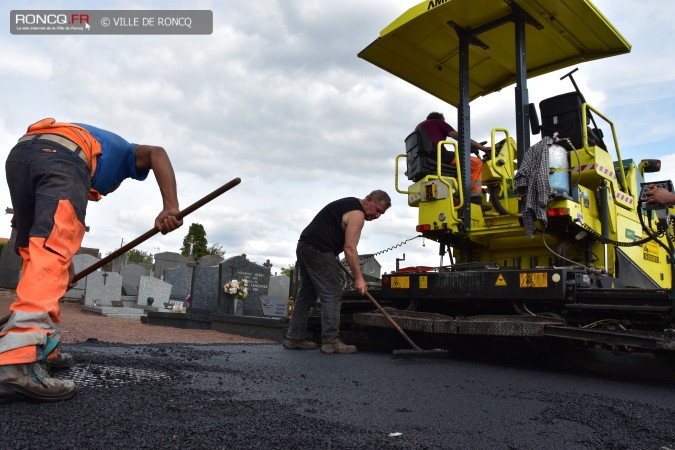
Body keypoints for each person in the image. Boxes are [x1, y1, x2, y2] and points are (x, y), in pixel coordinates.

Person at [0, 118, 183, 402]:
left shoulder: (95, 145)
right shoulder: (127, 154)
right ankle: (17, 361)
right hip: (62, 157)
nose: (99, 195)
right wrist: (171, 206)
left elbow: (41, 247)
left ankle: (42, 345)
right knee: (51, 251)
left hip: (22, 154)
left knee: (35, 252)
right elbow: (157, 152)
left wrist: (64, 268)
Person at [283, 190, 391, 354]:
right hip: (318, 249)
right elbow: (350, 248)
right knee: (332, 294)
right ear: (368, 199)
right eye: (377, 210)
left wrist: (333, 251)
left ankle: (294, 338)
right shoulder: (357, 214)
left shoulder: (347, 204)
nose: (377, 216)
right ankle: (331, 341)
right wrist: (359, 278)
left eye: (381, 214)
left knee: (307, 294)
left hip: (305, 246)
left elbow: (331, 232)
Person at [416, 112, 490, 209]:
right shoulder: (438, 122)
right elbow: (460, 137)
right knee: (476, 163)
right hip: (437, 155)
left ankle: (459, 197)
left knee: (459, 170)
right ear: (441, 120)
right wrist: (483, 148)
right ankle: (475, 200)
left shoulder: (420, 126)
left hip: (423, 160)